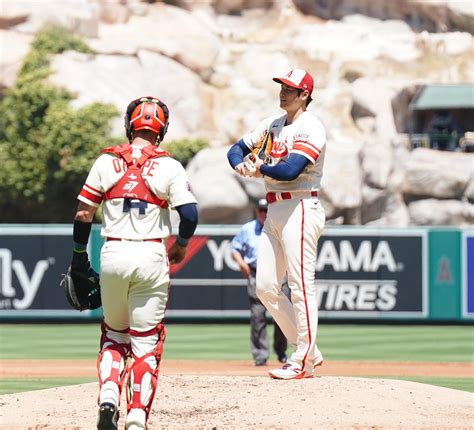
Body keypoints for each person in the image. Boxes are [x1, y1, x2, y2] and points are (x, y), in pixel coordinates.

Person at [71, 96, 198, 429]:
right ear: (163, 130)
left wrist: (78, 257)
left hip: (113, 252)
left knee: (115, 334)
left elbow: (84, 212)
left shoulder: (106, 161)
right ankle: (137, 416)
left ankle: (109, 396)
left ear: (129, 125)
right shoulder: (169, 165)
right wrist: (182, 244)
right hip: (151, 254)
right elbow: (190, 214)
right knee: (146, 340)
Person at [227, 69, 326, 380]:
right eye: (282, 87)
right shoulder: (272, 124)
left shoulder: (311, 127)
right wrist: (241, 165)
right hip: (275, 209)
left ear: (305, 95)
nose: (283, 92)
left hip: (300, 205)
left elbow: (291, 170)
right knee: (266, 286)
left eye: (291, 89)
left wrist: (261, 169)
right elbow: (235, 149)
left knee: (299, 284)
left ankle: (302, 359)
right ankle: (306, 347)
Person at [231, 198, 288, 367]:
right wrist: (241, 263)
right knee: (257, 316)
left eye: (266, 209)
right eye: (261, 210)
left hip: (278, 273)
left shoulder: (279, 225)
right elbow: (235, 248)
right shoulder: (248, 229)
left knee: (282, 314)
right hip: (255, 273)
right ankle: (260, 356)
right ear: (257, 212)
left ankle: (281, 351)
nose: (264, 213)